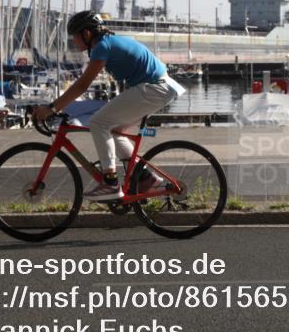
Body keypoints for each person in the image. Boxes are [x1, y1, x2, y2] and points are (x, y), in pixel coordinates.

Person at [31, 10, 183, 201]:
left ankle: (110, 183)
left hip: (154, 88)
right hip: (158, 87)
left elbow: (82, 85)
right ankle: (145, 177)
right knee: (113, 129)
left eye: (75, 36)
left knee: (98, 123)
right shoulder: (108, 43)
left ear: (87, 33)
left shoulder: (102, 46)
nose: (73, 41)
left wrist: (52, 108)